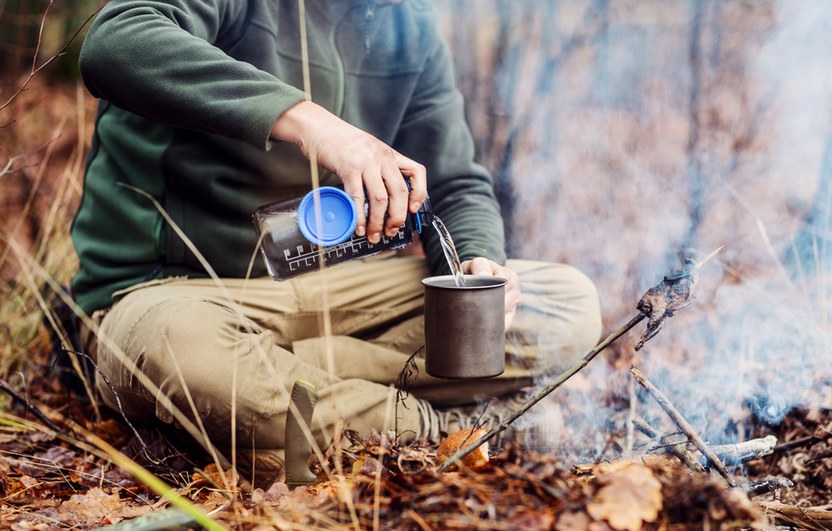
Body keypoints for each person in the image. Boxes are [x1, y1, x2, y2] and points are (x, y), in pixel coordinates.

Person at [71, 0, 601, 486]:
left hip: (340, 297)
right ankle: (460, 434)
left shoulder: (407, 25)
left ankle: (275, 400)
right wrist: (317, 127)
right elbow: (116, 42)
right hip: (173, 294)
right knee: (183, 346)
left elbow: (455, 184)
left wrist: (477, 265)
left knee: (567, 302)